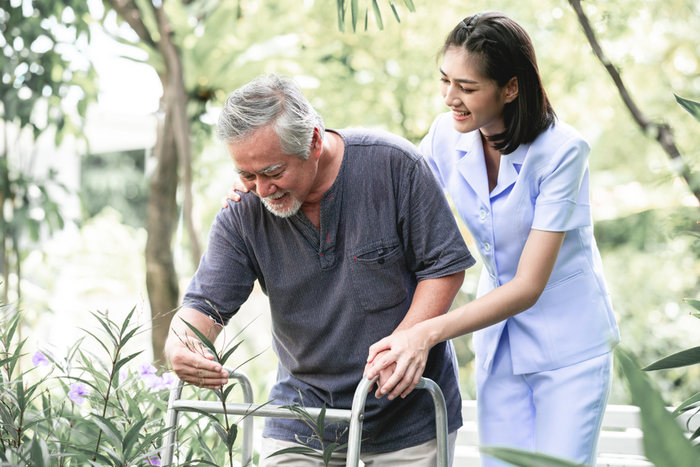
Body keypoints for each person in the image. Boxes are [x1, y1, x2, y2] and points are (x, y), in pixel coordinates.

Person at [165, 74, 476, 466]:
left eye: (274, 171)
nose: (261, 189)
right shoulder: (243, 211)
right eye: (247, 174)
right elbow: (203, 305)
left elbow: (444, 267)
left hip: (405, 410)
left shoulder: (394, 166)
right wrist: (181, 345)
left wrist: (411, 338)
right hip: (302, 415)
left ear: (313, 140)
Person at [363, 12, 621, 467]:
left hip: (569, 349)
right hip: (499, 345)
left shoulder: (563, 151)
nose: (449, 98)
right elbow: (386, 192)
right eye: (445, 81)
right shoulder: (446, 136)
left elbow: (527, 286)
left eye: (467, 87)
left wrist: (425, 333)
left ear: (511, 88)